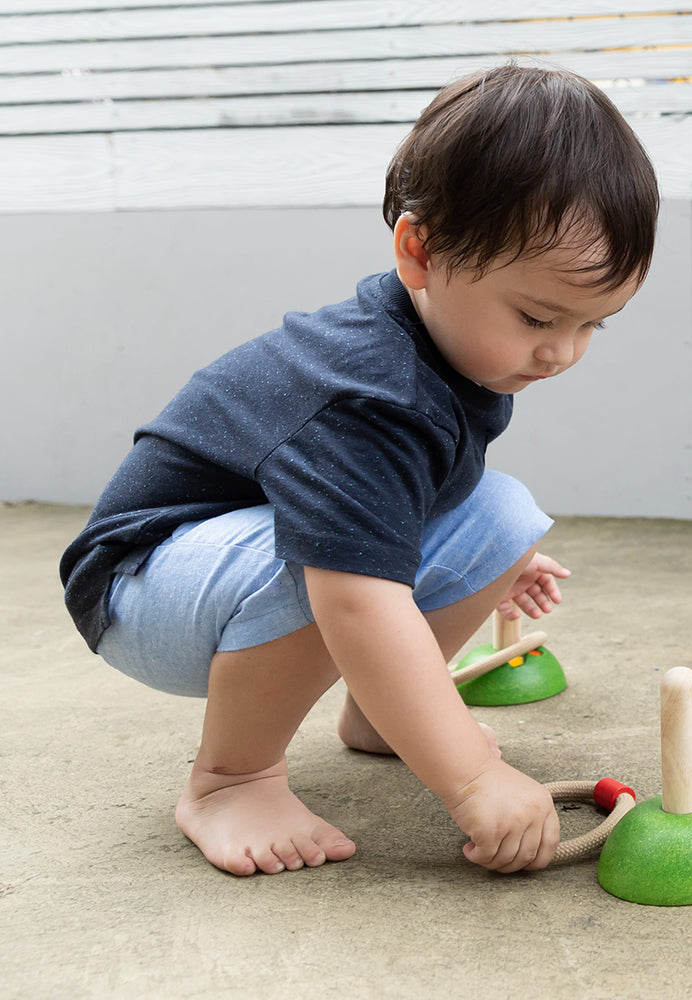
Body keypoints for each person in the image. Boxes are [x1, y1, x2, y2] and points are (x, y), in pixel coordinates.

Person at [60, 63, 660, 877]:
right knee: (337, 574)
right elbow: (352, 594)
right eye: (538, 318)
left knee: (504, 517)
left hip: (222, 568)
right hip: (140, 587)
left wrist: (488, 556)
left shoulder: (455, 351)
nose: (561, 353)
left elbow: (416, 505)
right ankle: (231, 778)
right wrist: (472, 777)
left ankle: (379, 718)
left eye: (596, 325)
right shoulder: (368, 391)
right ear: (421, 251)